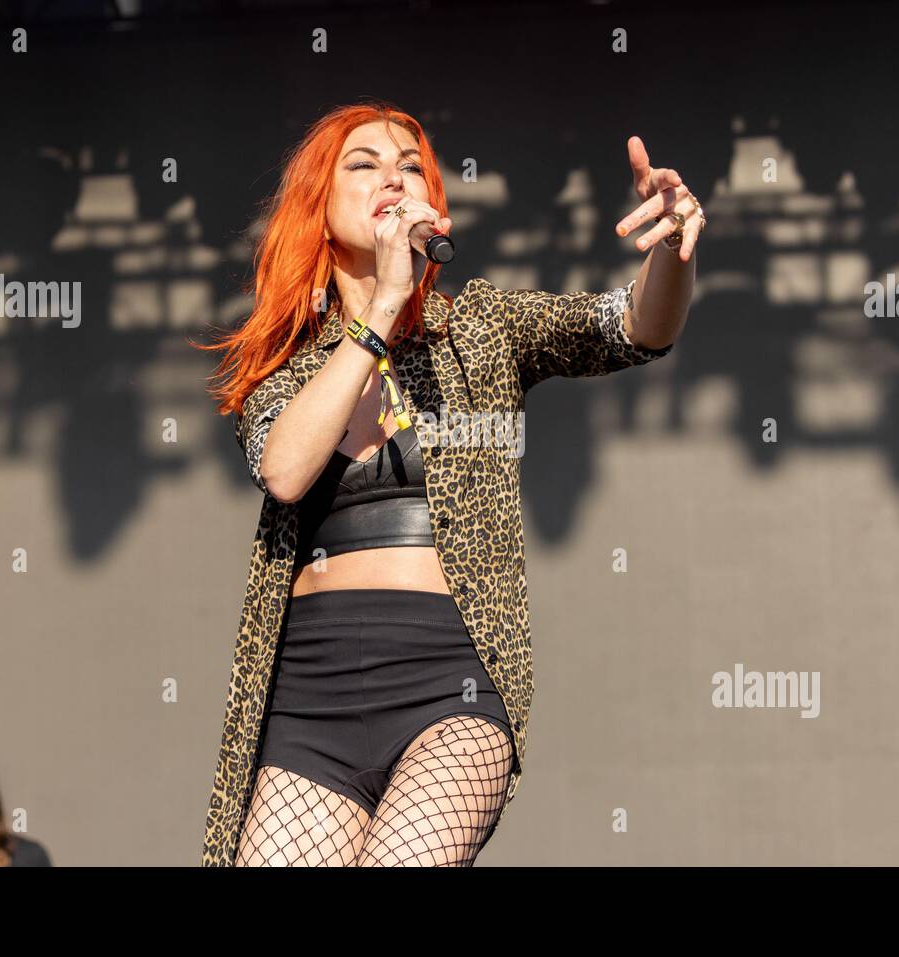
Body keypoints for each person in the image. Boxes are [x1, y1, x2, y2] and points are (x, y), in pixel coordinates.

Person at [198, 100, 702, 866]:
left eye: (409, 167)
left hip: (450, 687)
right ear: (319, 205)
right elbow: (285, 468)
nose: (392, 179)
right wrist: (379, 311)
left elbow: (632, 327)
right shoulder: (286, 361)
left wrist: (671, 251)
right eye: (364, 165)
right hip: (309, 698)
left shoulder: (479, 327)